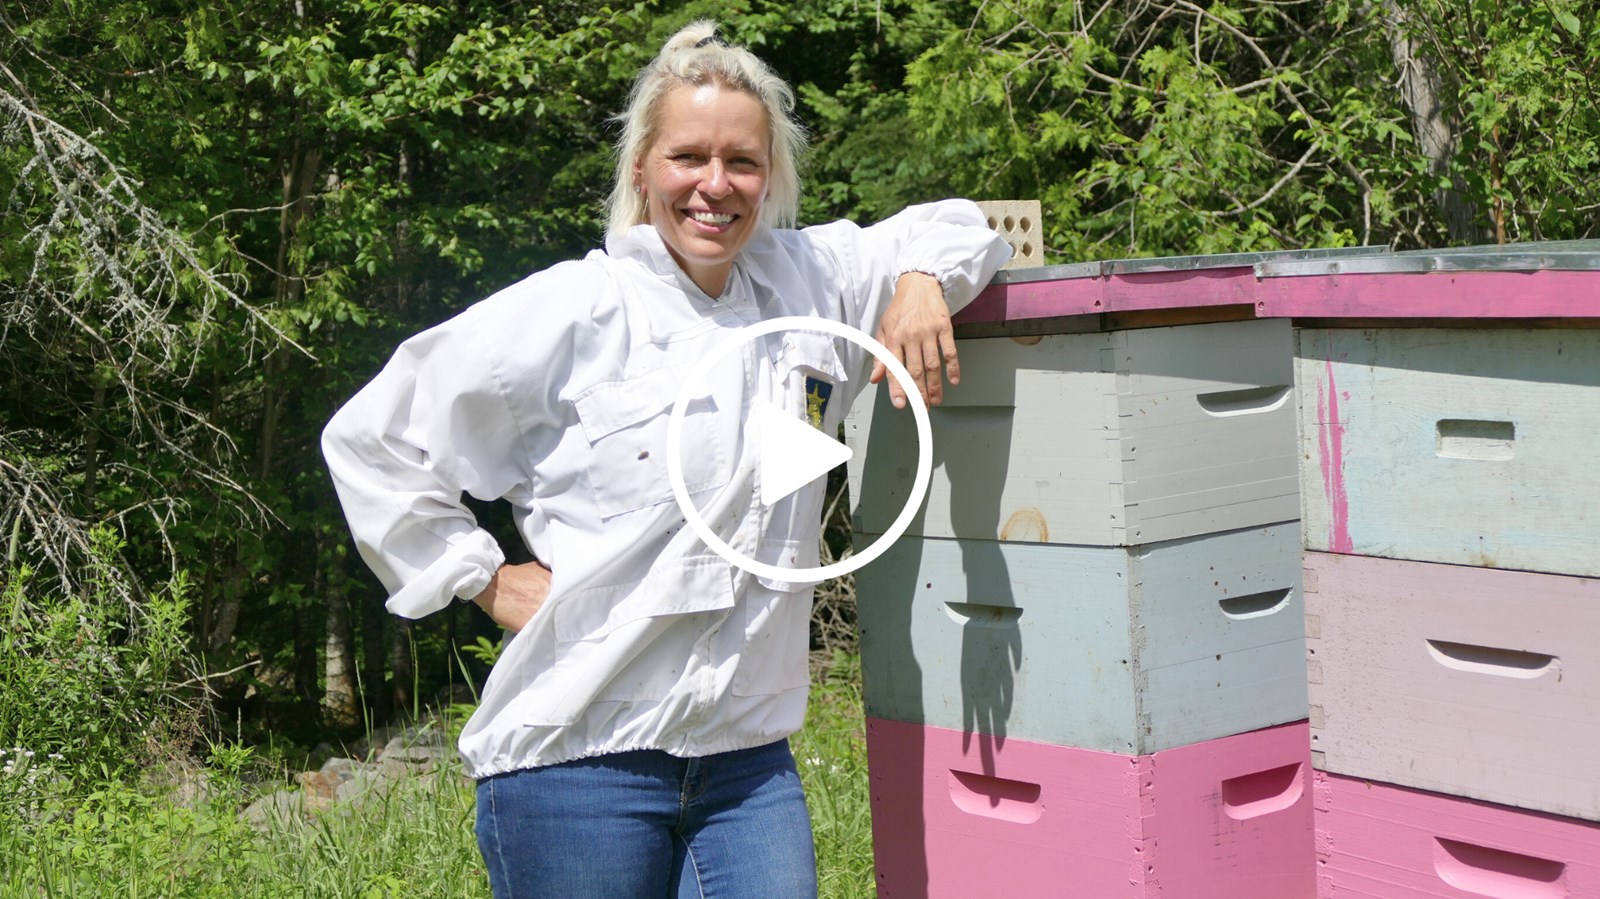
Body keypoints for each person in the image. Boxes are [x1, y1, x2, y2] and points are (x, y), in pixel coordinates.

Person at [322, 20, 1011, 899]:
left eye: (743, 162)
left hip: (747, 764)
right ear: (643, 168)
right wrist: (483, 577)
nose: (715, 186)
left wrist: (918, 281)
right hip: (578, 761)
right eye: (689, 157)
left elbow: (956, 226)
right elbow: (373, 438)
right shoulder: (572, 311)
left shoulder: (807, 279)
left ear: (770, 178)